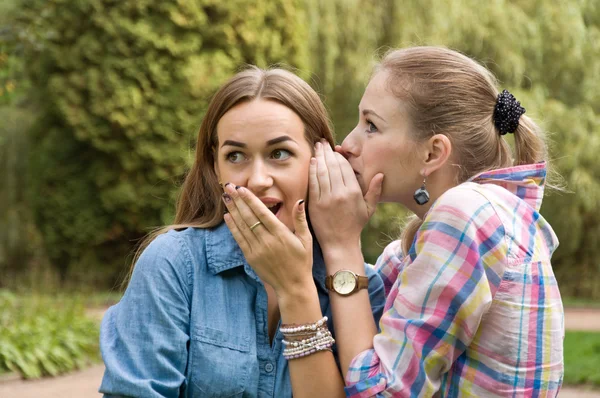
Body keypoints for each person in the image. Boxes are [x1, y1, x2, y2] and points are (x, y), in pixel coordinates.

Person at [222, 47, 564, 397]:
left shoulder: (466, 215)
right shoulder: (414, 252)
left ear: (432, 153)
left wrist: (342, 246)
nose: (347, 144)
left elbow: (379, 391)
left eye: (371, 126)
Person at [98, 66, 386, 398]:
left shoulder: (359, 290)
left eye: (279, 154)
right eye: (235, 156)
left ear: (319, 160)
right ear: (215, 168)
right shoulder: (173, 265)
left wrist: (296, 290)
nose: (257, 179)